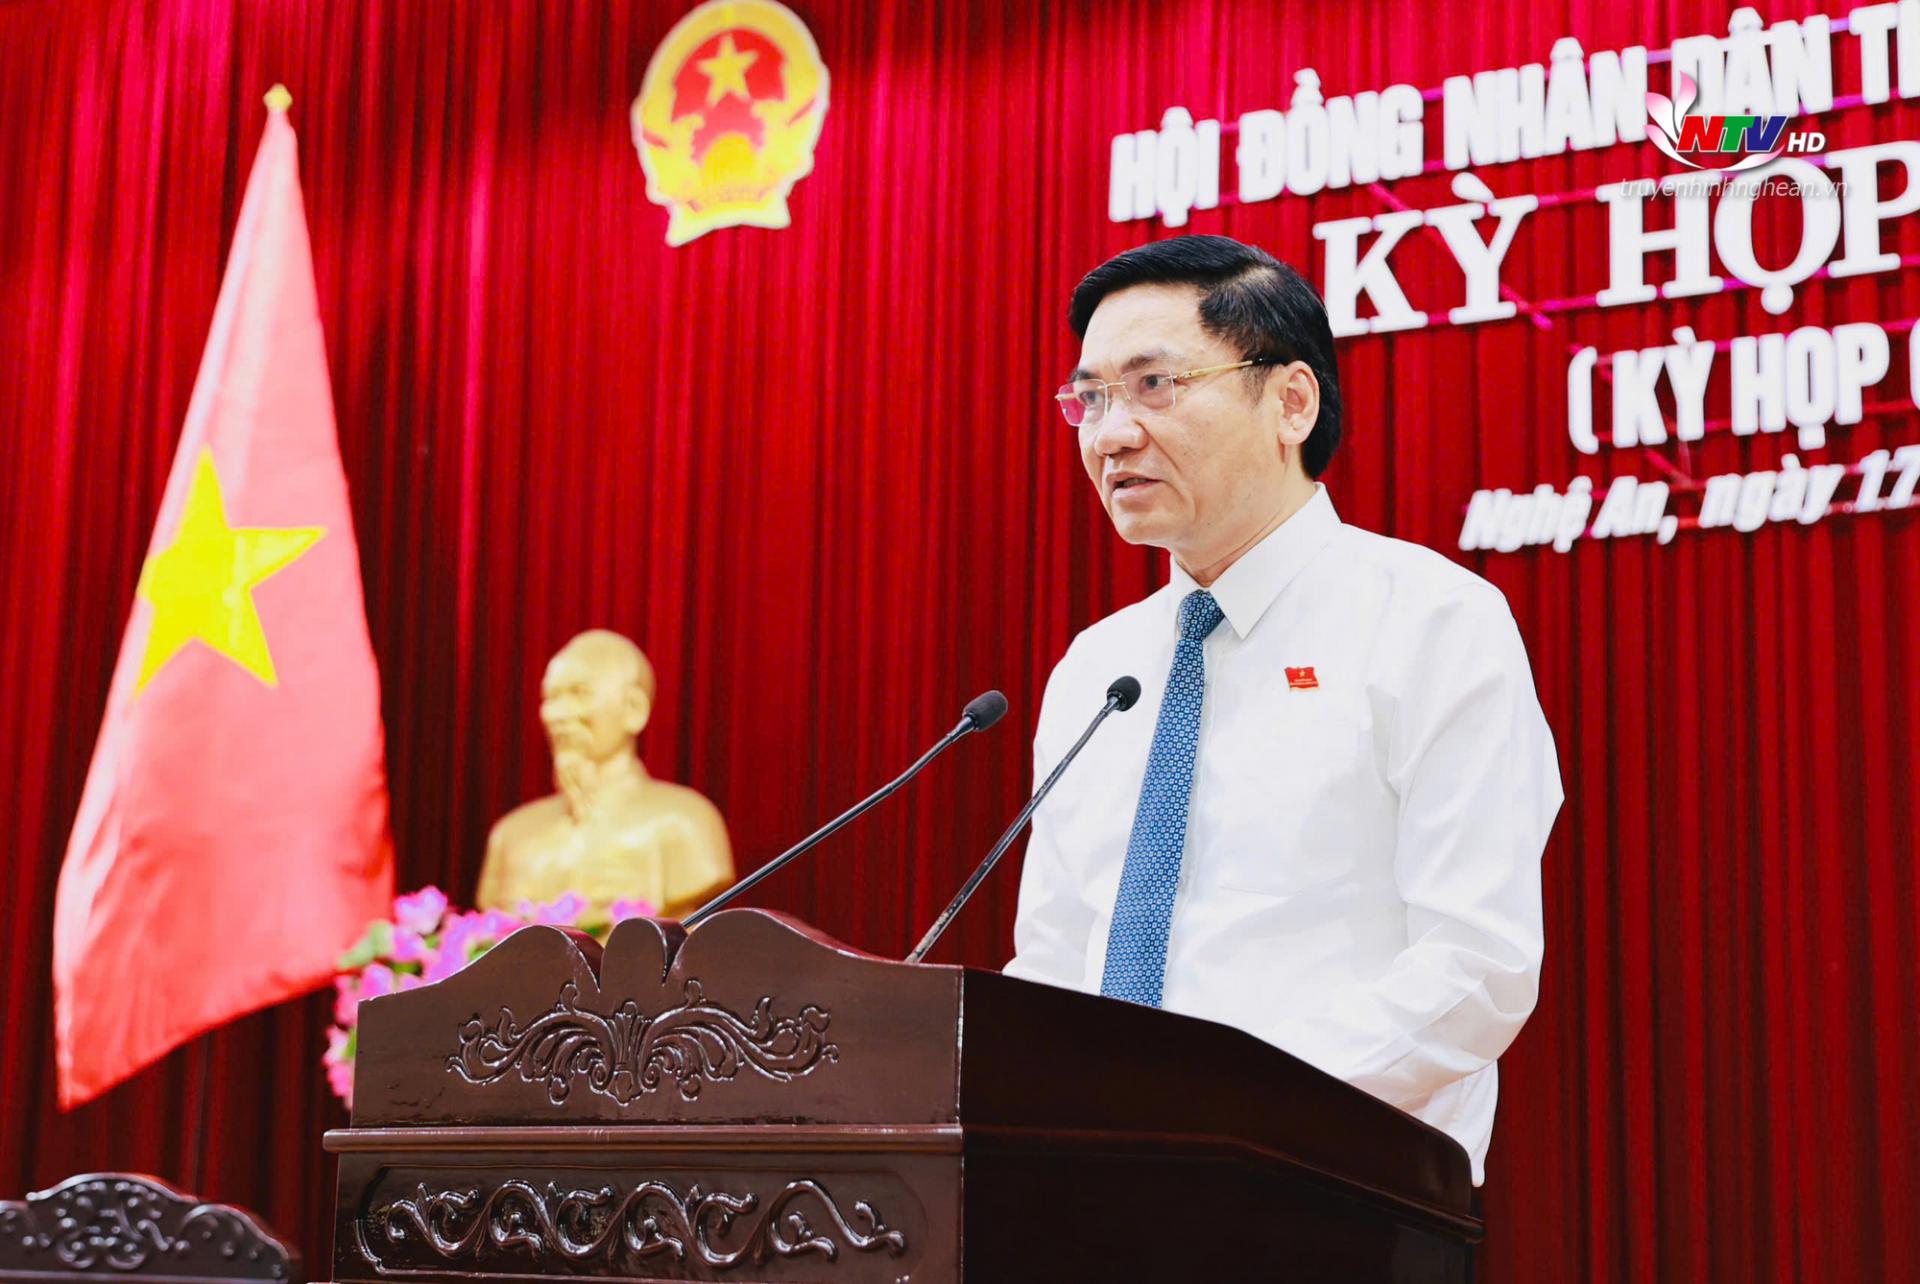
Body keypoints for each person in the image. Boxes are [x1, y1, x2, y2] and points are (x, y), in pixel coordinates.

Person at [1003, 235, 1562, 1185]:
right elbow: (1055, 963)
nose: (1109, 434)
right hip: (1099, 1192)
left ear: (1292, 402)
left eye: (1153, 385)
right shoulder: (1098, 667)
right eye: (1089, 398)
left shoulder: (1430, 620)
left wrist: (1223, 1110)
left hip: (1330, 1188)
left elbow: (1478, 963)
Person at [476, 629, 733, 922]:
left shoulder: (686, 823)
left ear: (634, 709)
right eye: (551, 697)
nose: (557, 714)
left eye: (579, 693)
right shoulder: (511, 835)